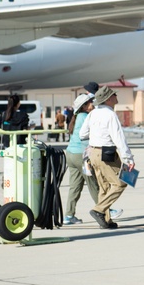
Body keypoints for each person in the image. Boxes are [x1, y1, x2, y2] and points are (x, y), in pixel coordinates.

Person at [80, 86, 135, 229]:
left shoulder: (93, 113)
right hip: (107, 153)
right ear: (109, 99)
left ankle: (106, 220)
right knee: (120, 183)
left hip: (93, 152)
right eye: (114, 95)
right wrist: (128, 158)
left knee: (104, 187)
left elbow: (82, 134)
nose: (116, 97)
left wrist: (96, 135)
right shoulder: (110, 115)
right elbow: (119, 138)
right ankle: (98, 210)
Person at [63, 92, 99, 224]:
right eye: (90, 102)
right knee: (93, 184)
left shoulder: (77, 116)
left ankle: (69, 215)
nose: (92, 104)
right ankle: (105, 210)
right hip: (81, 156)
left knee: (75, 186)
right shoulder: (86, 116)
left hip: (71, 154)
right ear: (84, 106)